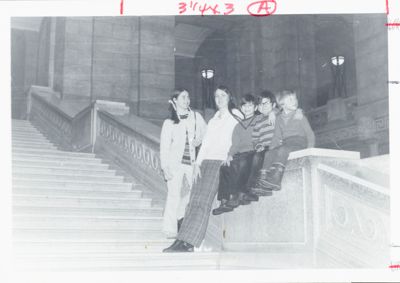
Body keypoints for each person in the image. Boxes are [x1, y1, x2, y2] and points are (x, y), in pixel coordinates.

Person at [163, 86, 243, 252]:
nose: (219, 99)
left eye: (223, 95)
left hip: (219, 162)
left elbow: (240, 138)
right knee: (193, 201)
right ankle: (181, 240)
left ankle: (189, 242)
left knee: (203, 202)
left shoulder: (235, 116)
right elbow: (205, 144)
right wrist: (197, 164)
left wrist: (231, 154)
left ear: (229, 96)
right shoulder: (213, 120)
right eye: (216, 96)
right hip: (204, 162)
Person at [159, 88, 206, 239]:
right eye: (183, 97)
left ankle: (180, 212)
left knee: (196, 191)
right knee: (173, 195)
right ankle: (169, 229)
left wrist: (199, 138)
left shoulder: (196, 117)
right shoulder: (169, 122)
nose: (187, 100)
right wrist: (165, 167)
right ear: (175, 100)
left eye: (188, 97)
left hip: (192, 163)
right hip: (174, 164)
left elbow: (206, 133)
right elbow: (164, 147)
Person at [251, 90, 315, 195]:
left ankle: (275, 180)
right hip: (286, 143)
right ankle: (264, 182)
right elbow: (276, 137)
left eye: (295, 98)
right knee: (269, 153)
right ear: (282, 104)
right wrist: (271, 151)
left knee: (282, 149)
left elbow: (310, 134)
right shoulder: (279, 119)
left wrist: (309, 151)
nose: (295, 101)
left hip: (299, 142)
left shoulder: (299, 116)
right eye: (290, 99)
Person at [212, 93, 259, 215]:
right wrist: (229, 155)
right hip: (240, 153)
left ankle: (237, 194)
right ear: (241, 108)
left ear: (255, 108)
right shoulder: (238, 126)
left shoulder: (259, 120)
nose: (247, 108)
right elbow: (235, 144)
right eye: (244, 106)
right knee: (225, 167)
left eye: (250, 105)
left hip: (253, 151)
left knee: (242, 162)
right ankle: (224, 200)